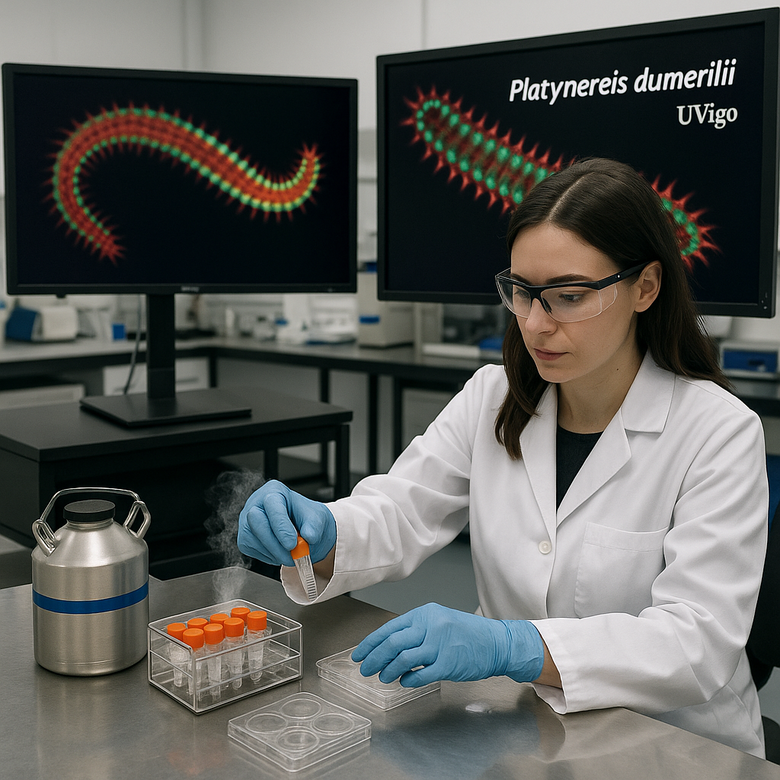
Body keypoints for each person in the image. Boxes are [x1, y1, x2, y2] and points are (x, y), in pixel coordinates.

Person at [237, 158, 768, 757]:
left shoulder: (718, 432)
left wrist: (514, 646)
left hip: (677, 748)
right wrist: (323, 531)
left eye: (569, 296)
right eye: (522, 292)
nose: (535, 324)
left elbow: (696, 643)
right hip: (521, 727)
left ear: (645, 287)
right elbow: (402, 510)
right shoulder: (493, 396)